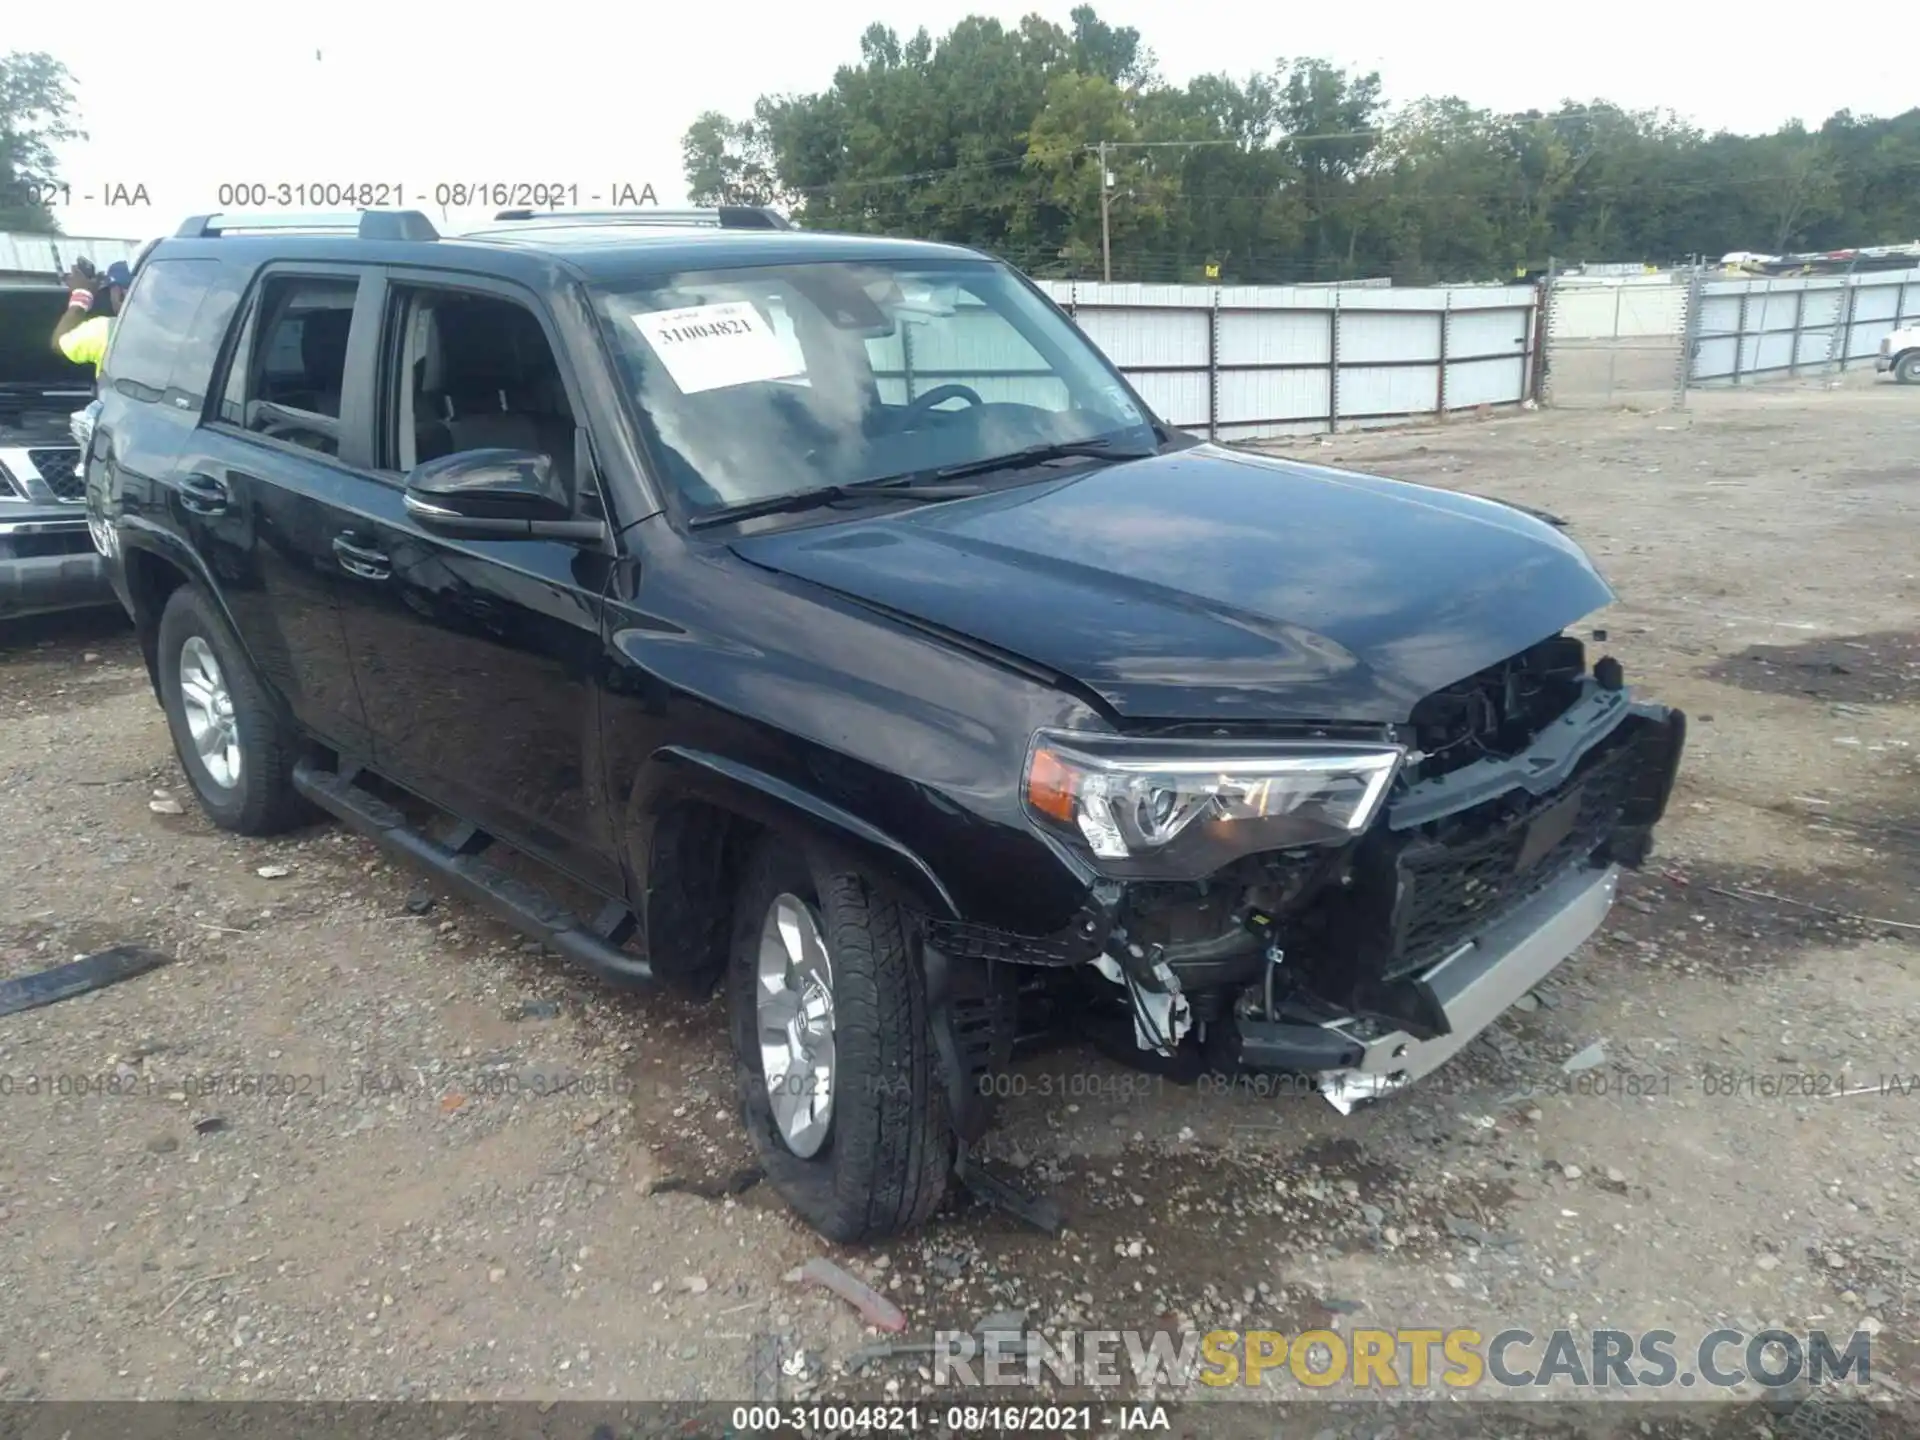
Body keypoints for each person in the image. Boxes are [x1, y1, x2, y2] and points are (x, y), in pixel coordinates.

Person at [51, 258, 134, 373]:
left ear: (121, 295)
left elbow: (59, 343)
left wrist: (81, 296)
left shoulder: (107, 331)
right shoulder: (166, 327)